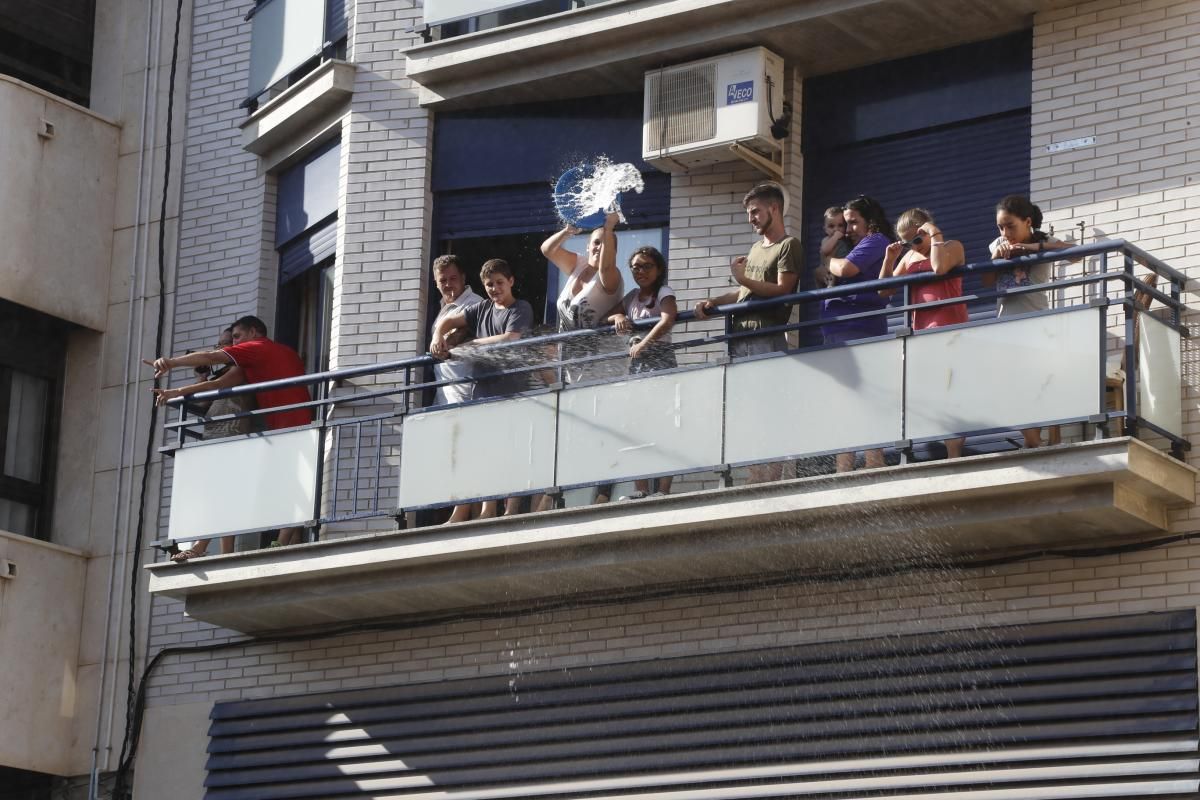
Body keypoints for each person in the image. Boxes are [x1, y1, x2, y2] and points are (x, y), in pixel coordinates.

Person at [145, 314, 311, 546]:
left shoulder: (256, 348)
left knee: (276, 484)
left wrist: (169, 363)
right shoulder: (281, 353)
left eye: (236, 337)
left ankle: (281, 542)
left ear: (254, 333)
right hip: (296, 421)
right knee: (292, 481)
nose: (234, 344)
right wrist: (177, 392)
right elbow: (217, 383)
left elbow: (212, 358)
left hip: (285, 425)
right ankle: (286, 540)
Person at [694, 182, 800, 484]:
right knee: (748, 412)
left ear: (773, 209)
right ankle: (755, 476)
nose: (751, 218)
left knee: (769, 408)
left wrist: (743, 278)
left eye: (755, 211)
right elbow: (744, 291)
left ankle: (772, 477)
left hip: (767, 336)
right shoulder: (755, 249)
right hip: (741, 338)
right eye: (749, 213)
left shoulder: (788, 245)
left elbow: (782, 289)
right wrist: (713, 301)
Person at [430, 258, 533, 518]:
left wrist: (475, 343)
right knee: (483, 452)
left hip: (511, 391)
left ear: (511, 282)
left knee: (509, 451)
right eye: (489, 284)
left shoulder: (521, 308)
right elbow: (447, 322)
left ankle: (511, 509)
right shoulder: (482, 308)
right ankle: (487, 508)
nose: (494, 289)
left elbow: (511, 338)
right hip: (482, 390)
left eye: (499, 283)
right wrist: (437, 337)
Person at [542, 212, 623, 503]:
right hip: (570, 366)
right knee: (573, 432)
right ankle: (563, 495)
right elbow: (547, 250)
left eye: (605, 243)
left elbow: (608, 262)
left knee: (601, 431)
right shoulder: (576, 265)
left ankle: (603, 492)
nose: (598, 248)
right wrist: (569, 229)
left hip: (600, 368)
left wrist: (610, 226)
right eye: (595, 243)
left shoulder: (610, 277)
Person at [985, 194, 1076, 448]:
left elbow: (1075, 255)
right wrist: (996, 258)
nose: (1005, 232)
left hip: (1038, 323)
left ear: (1027, 222)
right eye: (1001, 227)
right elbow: (987, 281)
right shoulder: (997, 244)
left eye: (1010, 226)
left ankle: (1052, 440)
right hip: (1007, 325)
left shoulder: (1042, 240)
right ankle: (1033, 442)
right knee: (1015, 386)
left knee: (1043, 382)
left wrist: (1030, 248)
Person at [880, 209, 967, 459]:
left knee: (950, 391)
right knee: (932, 394)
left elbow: (940, 268)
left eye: (916, 239)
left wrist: (935, 234)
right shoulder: (908, 257)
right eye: (908, 241)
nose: (913, 246)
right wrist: (890, 258)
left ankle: (954, 453)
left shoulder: (952, 246)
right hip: (921, 334)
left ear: (926, 229)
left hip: (950, 330)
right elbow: (884, 292)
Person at [822, 195, 895, 473]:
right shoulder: (853, 245)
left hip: (859, 327)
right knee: (845, 402)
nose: (848, 229)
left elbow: (845, 268)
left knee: (864, 398)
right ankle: (845, 467)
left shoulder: (875, 241)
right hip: (840, 327)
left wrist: (829, 260)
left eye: (853, 222)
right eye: (845, 223)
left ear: (870, 222)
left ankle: (872, 462)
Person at [170, 327, 255, 562]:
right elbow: (207, 400)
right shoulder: (223, 373)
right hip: (214, 438)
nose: (219, 350)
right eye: (217, 345)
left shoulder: (240, 369)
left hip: (231, 436)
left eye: (225, 344)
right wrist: (202, 377)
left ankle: (201, 546)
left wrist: (178, 390)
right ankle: (223, 552)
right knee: (219, 495)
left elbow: (216, 390)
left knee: (222, 494)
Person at [607, 246, 677, 499]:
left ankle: (663, 490)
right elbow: (608, 315)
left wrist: (643, 344)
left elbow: (668, 318)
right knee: (637, 426)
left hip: (660, 363)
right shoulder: (632, 296)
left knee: (662, 426)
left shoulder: (664, 292)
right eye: (636, 266)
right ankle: (640, 489)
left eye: (647, 266)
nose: (641, 271)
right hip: (638, 367)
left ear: (658, 270)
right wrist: (617, 317)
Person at [430, 254, 485, 406]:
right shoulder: (443, 309)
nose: (448, 284)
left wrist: (441, 342)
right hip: (444, 395)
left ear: (463, 278)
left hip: (467, 395)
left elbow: (465, 330)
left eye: (453, 278)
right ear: (436, 283)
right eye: (442, 280)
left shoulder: (474, 303)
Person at [814, 205, 850, 288]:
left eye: (840, 225)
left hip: (843, 267)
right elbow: (824, 250)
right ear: (825, 229)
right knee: (824, 273)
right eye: (831, 226)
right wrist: (835, 237)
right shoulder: (826, 240)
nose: (836, 229)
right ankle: (829, 287)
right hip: (829, 268)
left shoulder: (846, 239)